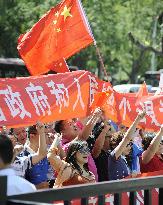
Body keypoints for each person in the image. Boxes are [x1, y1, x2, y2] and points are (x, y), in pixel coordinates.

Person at [54, 107, 103, 181]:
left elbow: (83, 118)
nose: (74, 124)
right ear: (62, 132)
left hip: (92, 183)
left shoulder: (77, 129)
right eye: (70, 123)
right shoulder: (64, 147)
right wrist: (95, 117)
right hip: (82, 187)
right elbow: (82, 136)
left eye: (73, 121)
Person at [107, 111, 146, 180]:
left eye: (131, 144)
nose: (130, 147)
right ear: (116, 145)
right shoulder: (113, 157)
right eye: (127, 144)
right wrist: (138, 119)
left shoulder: (123, 159)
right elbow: (127, 138)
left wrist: (131, 176)